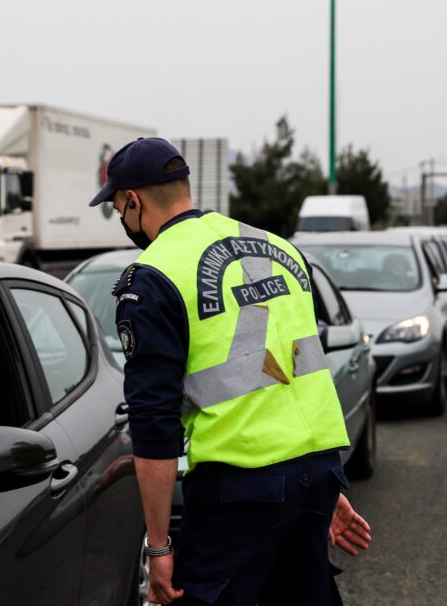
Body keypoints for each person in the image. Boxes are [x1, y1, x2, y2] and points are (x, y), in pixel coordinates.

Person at [90, 138, 372, 605]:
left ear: (133, 201)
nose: (122, 220)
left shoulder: (154, 277)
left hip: (240, 491)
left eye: (119, 208)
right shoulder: (278, 248)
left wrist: (158, 546)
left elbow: (154, 423)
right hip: (319, 472)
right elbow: (295, 373)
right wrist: (316, 492)